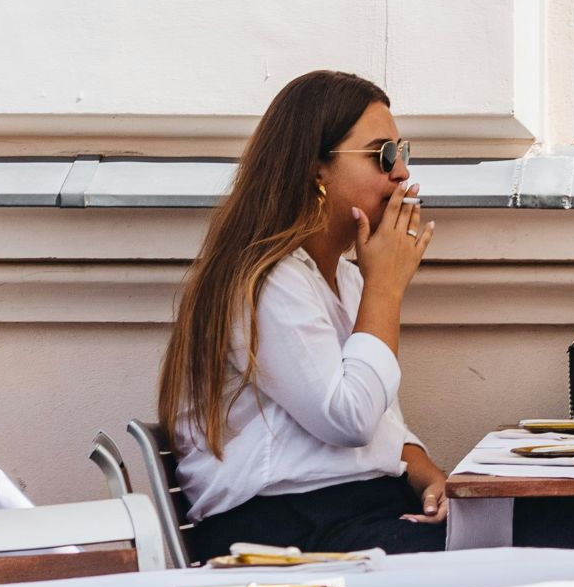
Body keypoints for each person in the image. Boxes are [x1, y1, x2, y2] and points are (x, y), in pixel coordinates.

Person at [158, 69, 449, 560]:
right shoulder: (266, 280)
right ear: (316, 170)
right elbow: (349, 419)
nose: (400, 173)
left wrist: (430, 476)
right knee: (518, 546)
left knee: (546, 526)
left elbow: (381, 424)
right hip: (282, 531)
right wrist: (386, 287)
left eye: (402, 153)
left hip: (356, 516)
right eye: (382, 155)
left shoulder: (348, 278)